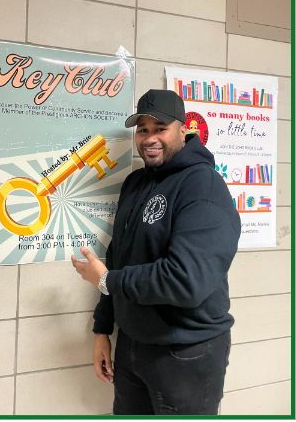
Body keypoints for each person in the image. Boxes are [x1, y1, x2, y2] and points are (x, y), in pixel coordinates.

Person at [71, 89, 241, 415]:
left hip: (187, 350)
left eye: (160, 128)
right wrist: (102, 330)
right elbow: (118, 257)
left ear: (183, 129)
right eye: (143, 129)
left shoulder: (203, 186)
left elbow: (187, 280)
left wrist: (109, 281)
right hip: (133, 344)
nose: (150, 138)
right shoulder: (135, 183)